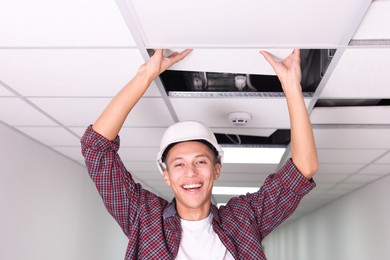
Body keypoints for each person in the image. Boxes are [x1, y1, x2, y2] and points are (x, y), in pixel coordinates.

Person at [81, 49, 318, 259]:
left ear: (216, 169)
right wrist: (145, 76)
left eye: (201, 161)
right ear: (166, 175)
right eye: (179, 165)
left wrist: (291, 86)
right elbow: (96, 148)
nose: (191, 173)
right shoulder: (144, 218)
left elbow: (303, 169)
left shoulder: (244, 220)